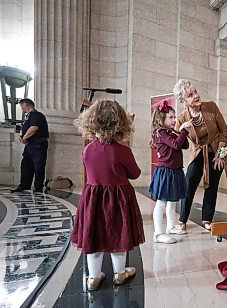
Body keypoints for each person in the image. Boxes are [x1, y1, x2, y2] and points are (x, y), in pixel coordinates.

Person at [70, 99, 145, 291]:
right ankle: (119, 273)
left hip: (92, 200)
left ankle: (94, 277)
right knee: (118, 235)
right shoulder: (122, 151)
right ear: (119, 123)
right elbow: (135, 174)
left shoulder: (87, 150)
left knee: (93, 235)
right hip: (118, 200)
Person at [173, 79, 227, 231]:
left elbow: (224, 132)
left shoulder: (211, 107)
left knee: (212, 185)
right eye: (190, 95)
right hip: (198, 152)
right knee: (189, 182)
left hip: (218, 149)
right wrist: (182, 131)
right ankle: (182, 219)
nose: (196, 96)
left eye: (195, 91)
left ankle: (207, 219)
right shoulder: (181, 119)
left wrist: (220, 155)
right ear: (183, 100)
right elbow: (176, 142)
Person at [149, 99, 192, 244]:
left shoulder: (170, 132)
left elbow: (184, 145)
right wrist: (183, 131)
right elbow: (176, 144)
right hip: (165, 172)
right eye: (171, 117)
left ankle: (171, 226)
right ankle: (158, 233)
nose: (175, 120)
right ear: (162, 119)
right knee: (161, 202)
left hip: (175, 171)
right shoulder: (161, 133)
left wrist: (182, 133)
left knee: (173, 201)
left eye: (175, 117)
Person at [10, 98, 50, 193]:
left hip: (38, 144)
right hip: (31, 144)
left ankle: (38, 188)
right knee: (26, 165)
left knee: (38, 166)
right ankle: (24, 185)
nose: (21, 108)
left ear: (26, 105)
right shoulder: (29, 116)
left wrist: (24, 138)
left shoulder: (36, 115)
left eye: (21, 106)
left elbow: (33, 128)